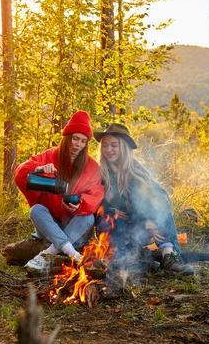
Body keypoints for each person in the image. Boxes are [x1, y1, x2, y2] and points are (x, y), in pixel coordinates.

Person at [94, 123, 194, 275]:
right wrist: (107, 208)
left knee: (161, 211)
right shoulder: (99, 172)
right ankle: (123, 261)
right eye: (105, 146)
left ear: (124, 148)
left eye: (114, 145)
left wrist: (149, 218)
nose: (109, 150)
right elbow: (91, 200)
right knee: (109, 218)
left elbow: (161, 198)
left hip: (139, 230)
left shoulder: (137, 172)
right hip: (115, 232)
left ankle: (169, 256)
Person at [14, 111, 105, 272]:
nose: (78, 144)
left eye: (83, 141)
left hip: (74, 228)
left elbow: (96, 195)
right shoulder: (49, 156)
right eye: (75, 138)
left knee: (88, 218)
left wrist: (80, 204)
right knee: (37, 210)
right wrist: (38, 168)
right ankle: (74, 255)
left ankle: (49, 253)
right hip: (50, 226)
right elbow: (20, 172)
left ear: (86, 144)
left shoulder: (91, 167)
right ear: (67, 138)